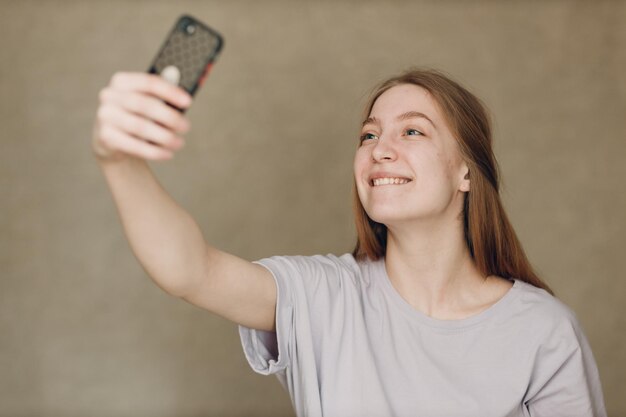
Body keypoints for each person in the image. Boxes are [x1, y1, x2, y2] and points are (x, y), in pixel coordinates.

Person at [93, 68, 607, 417]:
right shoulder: (322, 297)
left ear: (465, 172)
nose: (380, 150)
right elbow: (190, 271)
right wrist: (119, 161)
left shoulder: (543, 333)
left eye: (412, 133)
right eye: (368, 135)